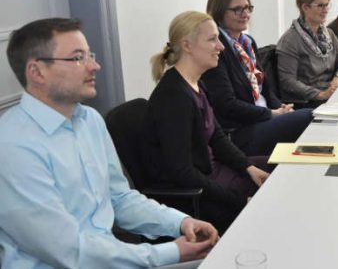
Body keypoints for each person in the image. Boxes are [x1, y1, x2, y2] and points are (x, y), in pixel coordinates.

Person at [0, 18, 217, 268]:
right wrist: (170, 252)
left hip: (110, 256)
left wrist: (180, 222)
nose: (95, 66)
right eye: (78, 58)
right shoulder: (13, 146)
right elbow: (72, 252)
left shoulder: (89, 120)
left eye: (90, 55)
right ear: (36, 72)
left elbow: (120, 198)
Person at [146, 11, 271, 233]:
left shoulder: (195, 83)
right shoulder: (174, 97)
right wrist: (239, 200)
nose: (221, 47)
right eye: (213, 39)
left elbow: (217, 136)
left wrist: (247, 166)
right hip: (200, 192)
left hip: (214, 173)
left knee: (280, 168)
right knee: (273, 194)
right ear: (187, 45)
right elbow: (183, 172)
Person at [201, 0, 313, 156]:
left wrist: (281, 108)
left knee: (311, 119)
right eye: (237, 9)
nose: (245, 14)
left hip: (264, 116)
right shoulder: (217, 50)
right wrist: (271, 113)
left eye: (247, 8)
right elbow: (226, 105)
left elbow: (265, 89)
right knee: (309, 117)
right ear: (219, 12)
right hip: (241, 130)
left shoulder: (248, 42)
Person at [276, 0, 338, 108]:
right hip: (307, 103)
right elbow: (288, 82)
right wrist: (320, 94)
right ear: (305, 7)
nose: (325, 10)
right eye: (320, 6)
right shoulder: (290, 40)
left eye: (327, 5)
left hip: (329, 96)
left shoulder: (329, 34)